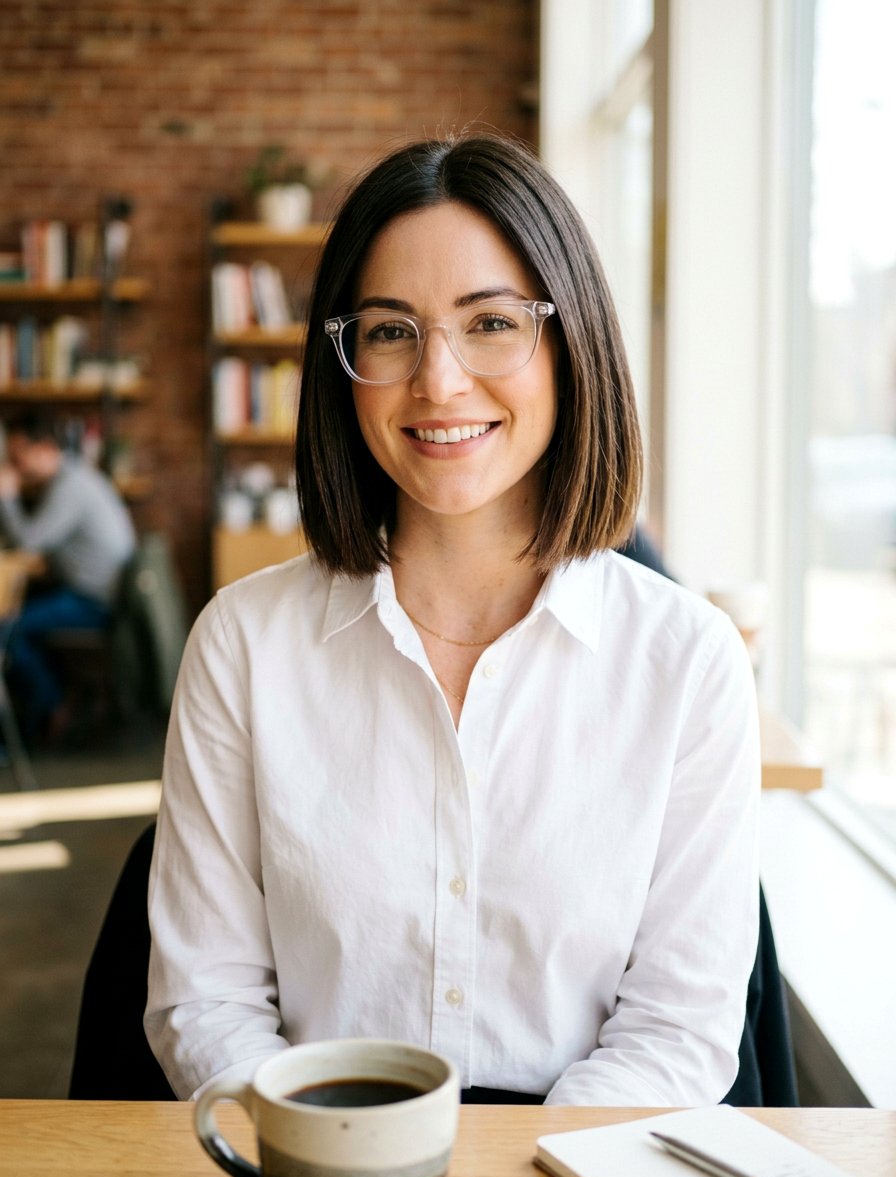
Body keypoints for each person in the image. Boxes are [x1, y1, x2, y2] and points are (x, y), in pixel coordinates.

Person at [146, 133, 760, 1105]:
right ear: (343, 365)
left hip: (575, 1166)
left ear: (571, 341)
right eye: (390, 332)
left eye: (489, 324)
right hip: (314, 1155)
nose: (437, 382)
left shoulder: (685, 662)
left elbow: (676, 1030)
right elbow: (206, 1003)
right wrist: (334, 1159)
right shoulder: (242, 643)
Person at [0, 413, 136, 738]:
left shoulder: (71, 486)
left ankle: (52, 706)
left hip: (94, 600)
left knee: (6, 629)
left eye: (20, 456)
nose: (16, 466)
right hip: (92, 591)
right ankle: (51, 705)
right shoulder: (73, 477)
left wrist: (6, 497)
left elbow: (27, 541)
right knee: (19, 615)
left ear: (46, 448)